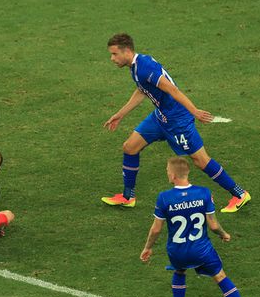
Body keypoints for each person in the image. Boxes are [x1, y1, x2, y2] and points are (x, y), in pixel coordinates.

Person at [101, 33, 250, 213]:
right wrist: (120, 114)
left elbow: (172, 90)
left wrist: (194, 111)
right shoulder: (136, 66)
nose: (112, 58)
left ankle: (240, 194)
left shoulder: (144, 67)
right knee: (130, 147)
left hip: (177, 120)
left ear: (126, 51)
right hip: (160, 116)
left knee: (200, 160)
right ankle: (127, 197)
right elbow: (142, 90)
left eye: (115, 54)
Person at [140, 157, 257, 297]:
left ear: (173, 175)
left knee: (179, 271)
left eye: (167, 170)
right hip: (201, 250)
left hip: (177, 251)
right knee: (220, 276)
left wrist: (147, 248)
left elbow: (156, 229)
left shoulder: (164, 198)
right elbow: (213, 225)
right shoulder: (203, 193)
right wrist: (224, 234)